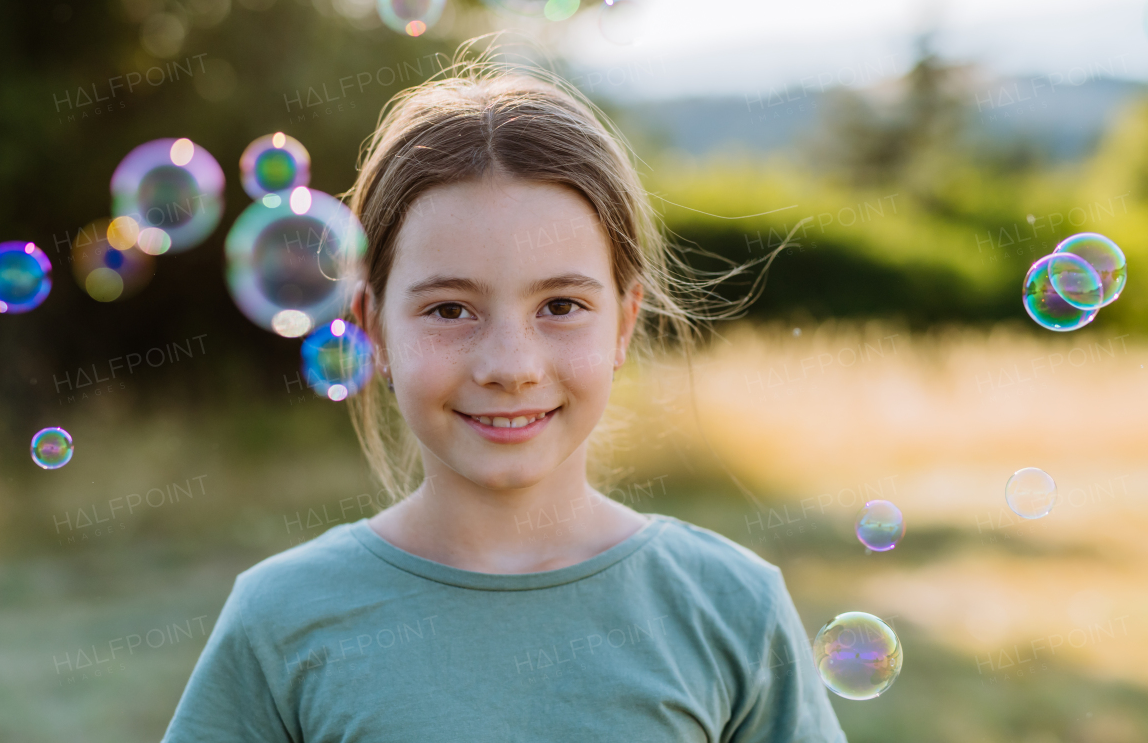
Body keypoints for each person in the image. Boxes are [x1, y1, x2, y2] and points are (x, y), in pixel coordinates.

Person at [161, 49, 846, 742]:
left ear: (624, 321)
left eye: (561, 304)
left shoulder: (732, 608)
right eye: (451, 310)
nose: (510, 366)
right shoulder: (282, 617)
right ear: (373, 330)